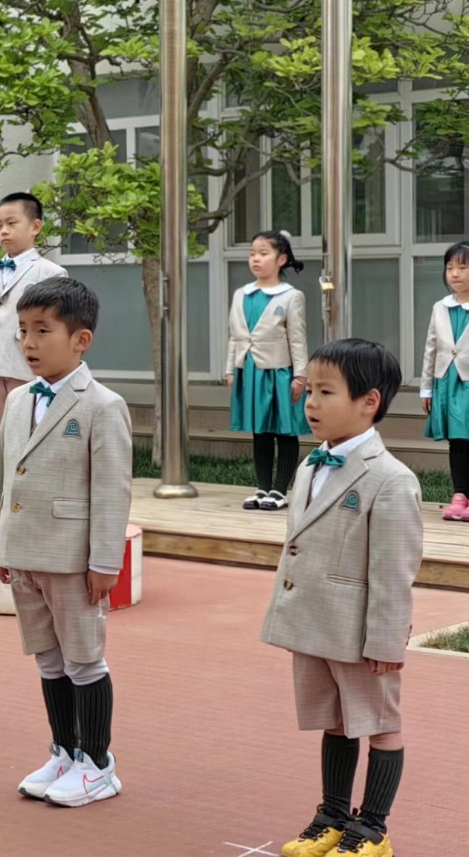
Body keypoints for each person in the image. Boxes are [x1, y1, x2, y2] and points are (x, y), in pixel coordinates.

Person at [261, 339, 420, 857]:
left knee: (380, 725)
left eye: (326, 392)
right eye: (309, 390)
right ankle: (332, 815)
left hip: (361, 634)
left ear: (368, 402)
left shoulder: (391, 480)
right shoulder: (310, 465)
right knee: (333, 720)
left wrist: (387, 642)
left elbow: (394, 571)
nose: (310, 402)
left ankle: (373, 828)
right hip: (315, 621)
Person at [0, 277, 132, 807]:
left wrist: (105, 561)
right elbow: (3, 475)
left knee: (84, 659)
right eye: (23, 330)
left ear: (80, 340)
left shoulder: (103, 406)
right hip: (24, 551)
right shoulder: (18, 400)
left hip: (71, 558)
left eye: (42, 331)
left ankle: (97, 764)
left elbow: (112, 489)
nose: (28, 342)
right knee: (48, 658)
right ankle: (65, 751)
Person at [0, 192, 67, 436]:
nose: (4, 231)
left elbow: (55, 327)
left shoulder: (51, 273)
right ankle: (2, 462)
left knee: (28, 430)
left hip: (27, 364)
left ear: (35, 227)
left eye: (12, 223)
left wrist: (54, 369)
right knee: (0, 433)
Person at [227, 230, 311, 511]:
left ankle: (280, 489)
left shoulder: (291, 296)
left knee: (285, 430)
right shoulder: (241, 294)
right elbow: (234, 336)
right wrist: (231, 370)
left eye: (263, 253)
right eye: (252, 253)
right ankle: (262, 487)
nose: (256, 259)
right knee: (260, 430)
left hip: (280, 372)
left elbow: (297, 339)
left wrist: (300, 376)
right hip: (250, 371)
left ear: (281, 259)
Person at [420, 240, 469, 520]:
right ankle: (460, 494)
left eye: (462, 267)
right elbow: (431, 348)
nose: (455, 273)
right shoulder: (440, 307)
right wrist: (426, 388)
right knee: (457, 440)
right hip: (448, 382)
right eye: (450, 267)